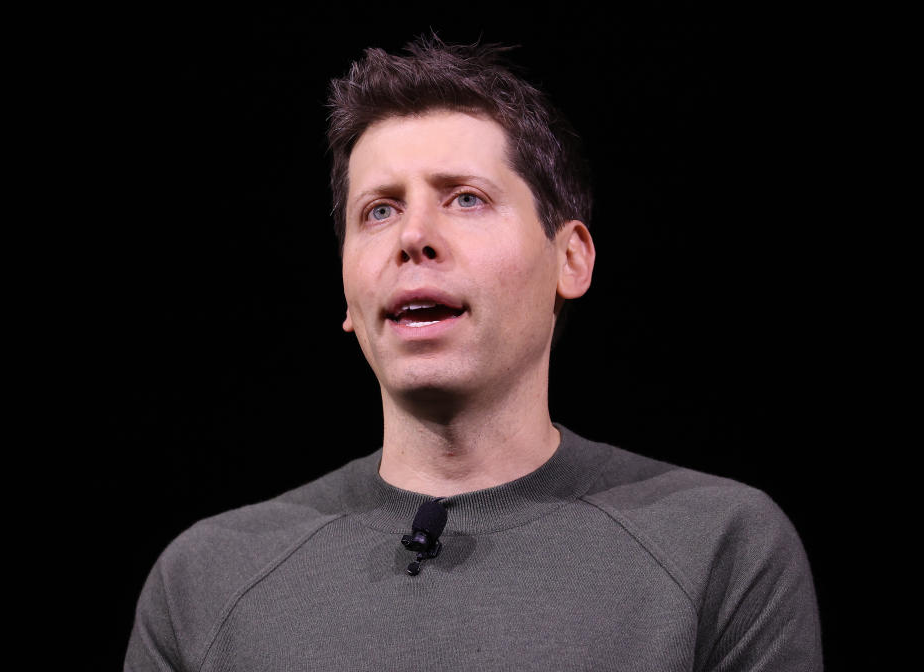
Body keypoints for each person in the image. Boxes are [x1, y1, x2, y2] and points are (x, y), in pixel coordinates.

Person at [125, 35, 822, 671]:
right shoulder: (205, 580)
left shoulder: (717, 546)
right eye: (379, 210)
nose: (413, 237)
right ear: (346, 291)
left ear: (569, 259)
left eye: (464, 199)